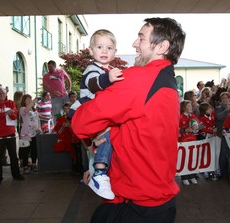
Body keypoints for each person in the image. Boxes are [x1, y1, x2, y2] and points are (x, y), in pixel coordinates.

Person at [72, 17, 185, 222]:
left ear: (161, 46)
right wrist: (101, 165)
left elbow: (81, 122)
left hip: (138, 207)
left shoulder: (138, 79)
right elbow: (138, 129)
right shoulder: (168, 82)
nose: (134, 44)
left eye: (141, 38)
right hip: (156, 201)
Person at [69, 29, 123, 200]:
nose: (105, 51)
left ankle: (98, 169)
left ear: (115, 52)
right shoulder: (93, 69)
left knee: (108, 138)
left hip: (102, 113)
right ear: (91, 51)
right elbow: (93, 84)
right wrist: (108, 79)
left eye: (109, 47)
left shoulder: (111, 70)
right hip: (91, 110)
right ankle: (99, 173)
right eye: (100, 47)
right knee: (108, 135)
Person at [0, 87, 24, 186]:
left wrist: (11, 114)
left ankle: (16, 174)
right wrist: (4, 113)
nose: (1, 95)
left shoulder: (11, 103)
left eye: (3, 93)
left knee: (13, 156)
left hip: (10, 133)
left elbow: (14, 116)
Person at [178, 100, 200, 185]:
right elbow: (176, 128)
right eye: (188, 106)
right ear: (184, 107)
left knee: (192, 159)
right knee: (184, 159)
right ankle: (184, 177)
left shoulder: (193, 116)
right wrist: (185, 130)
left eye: (191, 106)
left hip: (193, 140)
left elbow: (201, 125)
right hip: (184, 141)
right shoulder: (180, 117)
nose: (191, 108)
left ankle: (192, 175)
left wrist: (197, 127)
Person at [19, 94, 41, 174]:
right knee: (26, 150)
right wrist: (33, 102)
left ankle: (34, 164)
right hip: (26, 134)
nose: (30, 101)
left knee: (34, 149)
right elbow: (25, 111)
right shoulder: (22, 108)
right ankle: (25, 165)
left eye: (30, 99)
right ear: (24, 101)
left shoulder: (34, 110)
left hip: (34, 133)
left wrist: (39, 128)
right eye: (27, 99)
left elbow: (37, 119)